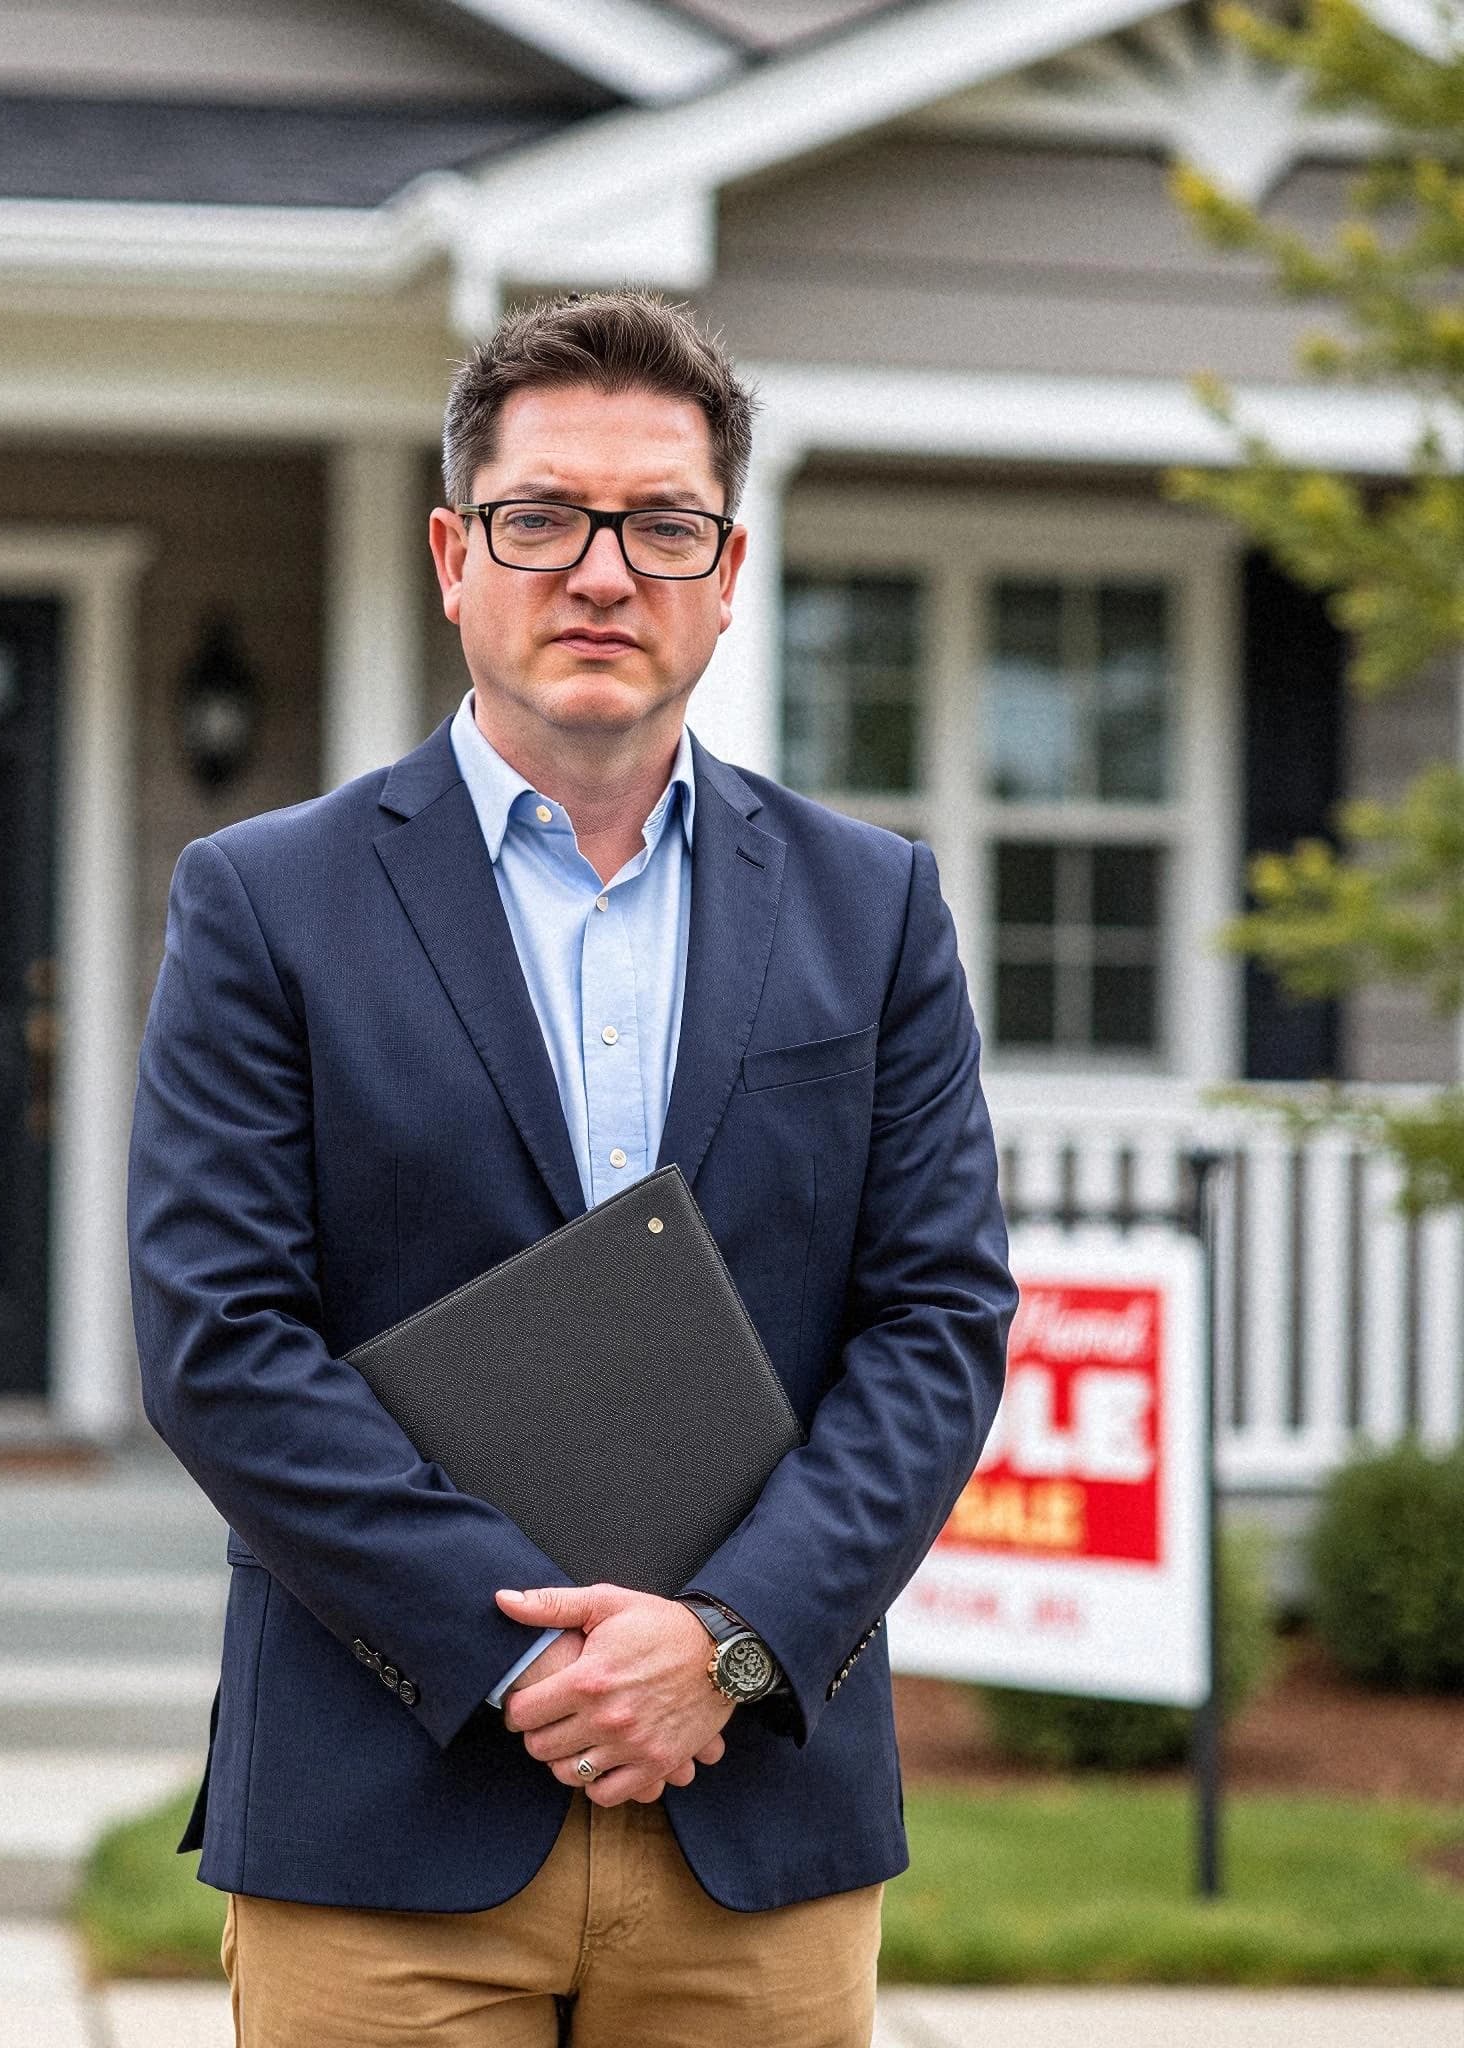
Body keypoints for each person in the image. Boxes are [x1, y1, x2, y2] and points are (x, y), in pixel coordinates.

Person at [126, 289, 1016, 2047]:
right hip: (382, 1814)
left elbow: (937, 1323)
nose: (602, 572)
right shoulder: (264, 903)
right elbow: (221, 1340)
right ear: (456, 555)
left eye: (661, 525)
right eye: (544, 518)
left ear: (730, 566)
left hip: (756, 1817)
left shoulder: (874, 907)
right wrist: (525, 1654)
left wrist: (729, 1645)